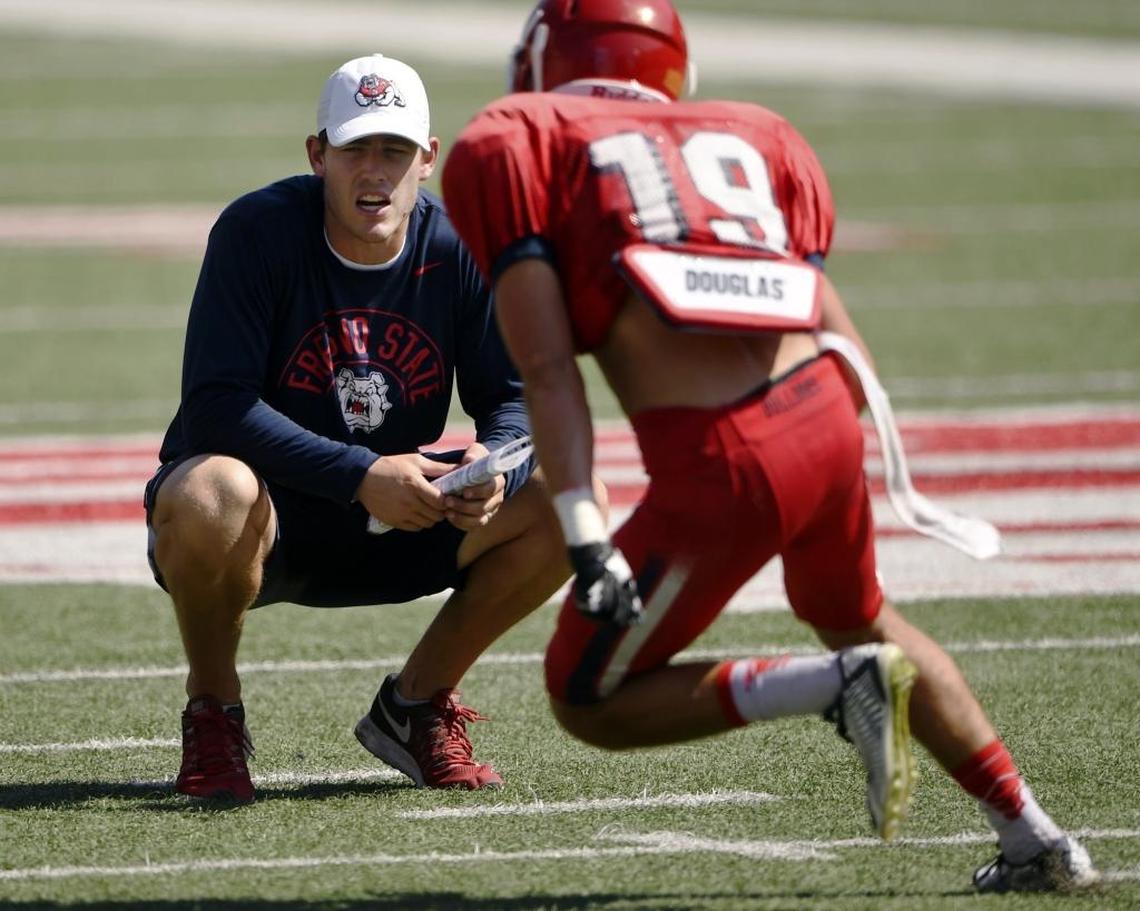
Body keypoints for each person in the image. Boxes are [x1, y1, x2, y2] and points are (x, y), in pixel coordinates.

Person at [441, 0, 1101, 892]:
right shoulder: (758, 134)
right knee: (860, 609)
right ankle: (1035, 835)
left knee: (585, 694)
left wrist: (585, 526)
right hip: (828, 417)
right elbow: (843, 345)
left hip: (723, 455)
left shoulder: (519, 138)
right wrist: (809, 464)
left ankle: (830, 685)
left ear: (543, 58)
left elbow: (550, 370)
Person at [145, 53, 587, 802]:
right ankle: (212, 709)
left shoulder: (463, 247)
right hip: (270, 519)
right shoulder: (259, 232)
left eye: (394, 150)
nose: (374, 171)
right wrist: (360, 474)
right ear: (319, 155)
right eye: (355, 149)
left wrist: (493, 467)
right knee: (205, 492)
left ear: (428, 159)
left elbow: (518, 404)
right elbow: (215, 405)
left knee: (569, 498)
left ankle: (415, 706)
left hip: (404, 512)